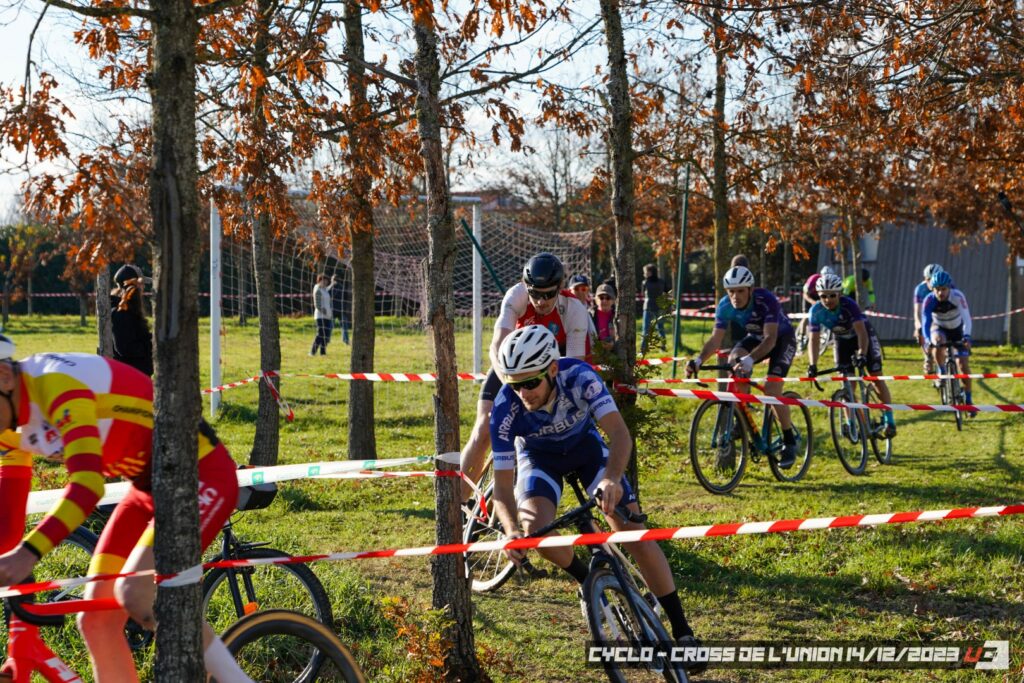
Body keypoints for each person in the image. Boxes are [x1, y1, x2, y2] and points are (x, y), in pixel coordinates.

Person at [0, 336, 253, 682]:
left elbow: (88, 486)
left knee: (136, 595)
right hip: (146, 488)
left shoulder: (56, 386)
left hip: (200, 475)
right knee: (95, 620)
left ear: (4, 377)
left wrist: (29, 553)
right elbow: (7, 523)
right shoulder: (9, 421)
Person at [488, 325, 702, 661]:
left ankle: (682, 630)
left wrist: (612, 479)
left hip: (586, 450)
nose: (523, 393)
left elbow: (620, 434)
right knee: (536, 530)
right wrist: (511, 530)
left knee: (634, 534)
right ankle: (589, 581)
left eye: (530, 383)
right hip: (539, 458)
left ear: (552, 369)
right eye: (515, 385)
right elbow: (502, 486)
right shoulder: (505, 407)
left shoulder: (580, 377)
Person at [459, 253, 589, 498]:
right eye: (535, 293)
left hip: (551, 370)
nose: (541, 301)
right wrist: (513, 386)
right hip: (511, 367)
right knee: (483, 427)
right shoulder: (516, 296)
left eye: (549, 294)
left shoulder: (574, 309)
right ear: (526, 287)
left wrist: (546, 397)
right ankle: (457, 505)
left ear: (560, 288)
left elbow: (573, 366)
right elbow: (496, 347)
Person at [685, 266, 800, 467]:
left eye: (740, 291)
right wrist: (699, 360)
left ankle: (789, 441)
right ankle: (743, 418)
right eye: (731, 291)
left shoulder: (766, 300)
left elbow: (770, 339)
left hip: (781, 339)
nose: (735, 296)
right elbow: (715, 339)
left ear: (750, 289)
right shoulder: (724, 306)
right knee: (734, 361)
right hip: (755, 337)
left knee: (772, 390)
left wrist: (750, 359)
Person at [806, 273, 896, 437]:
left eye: (832, 295)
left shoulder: (849, 305)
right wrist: (813, 364)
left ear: (839, 294)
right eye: (823, 296)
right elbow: (814, 339)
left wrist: (862, 354)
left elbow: (862, 333)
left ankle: (890, 420)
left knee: (875, 377)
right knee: (847, 384)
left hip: (863, 337)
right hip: (842, 341)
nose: (828, 300)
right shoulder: (816, 311)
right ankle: (852, 423)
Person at [923, 270, 974, 407]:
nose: (940, 293)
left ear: (949, 287)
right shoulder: (929, 300)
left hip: (957, 329)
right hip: (939, 328)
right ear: (933, 289)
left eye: (944, 289)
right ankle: (941, 369)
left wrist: (967, 336)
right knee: (937, 341)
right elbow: (926, 323)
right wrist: (928, 340)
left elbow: (967, 318)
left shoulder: (957, 296)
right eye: (937, 289)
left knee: (963, 366)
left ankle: (969, 399)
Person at [110, 264, 153, 377]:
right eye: (141, 284)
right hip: (130, 376)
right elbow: (125, 348)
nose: (143, 288)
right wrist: (151, 346)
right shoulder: (120, 313)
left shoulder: (130, 310)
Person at [914, 264, 945, 375]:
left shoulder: (947, 285)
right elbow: (917, 312)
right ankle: (928, 357)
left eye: (934, 279)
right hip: (927, 315)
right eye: (928, 279)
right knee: (920, 330)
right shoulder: (920, 289)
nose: (931, 282)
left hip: (943, 315)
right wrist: (918, 326)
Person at [641, 264, 670, 353]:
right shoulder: (662, 282)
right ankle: (663, 346)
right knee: (660, 328)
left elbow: (642, 293)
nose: (644, 274)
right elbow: (667, 292)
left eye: (645, 272)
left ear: (650, 272)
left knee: (646, 329)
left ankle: (643, 348)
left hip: (648, 307)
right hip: (659, 307)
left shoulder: (645, 283)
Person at [568, 274, 598, 342]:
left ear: (587, 291)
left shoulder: (589, 313)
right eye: (576, 289)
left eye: (583, 289)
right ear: (569, 291)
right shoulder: (565, 312)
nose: (580, 292)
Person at [310, 273, 332, 356]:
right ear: (319, 281)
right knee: (320, 334)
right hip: (320, 316)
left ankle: (323, 352)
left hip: (327, 316)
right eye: (324, 280)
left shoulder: (324, 289)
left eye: (326, 281)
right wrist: (324, 311)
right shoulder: (317, 289)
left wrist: (333, 283)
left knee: (326, 335)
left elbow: (328, 289)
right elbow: (317, 304)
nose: (325, 282)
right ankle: (312, 352)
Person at [591, 283, 617, 348]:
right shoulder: (590, 315)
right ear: (596, 300)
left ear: (613, 300)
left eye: (608, 298)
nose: (604, 301)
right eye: (601, 298)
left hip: (614, 352)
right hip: (595, 351)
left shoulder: (617, 316)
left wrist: (614, 343)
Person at [330, 272, 352, 345]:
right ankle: (345, 340)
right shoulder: (340, 287)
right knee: (340, 327)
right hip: (337, 310)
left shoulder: (335, 288)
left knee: (341, 326)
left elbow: (345, 298)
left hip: (337, 310)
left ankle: (345, 340)